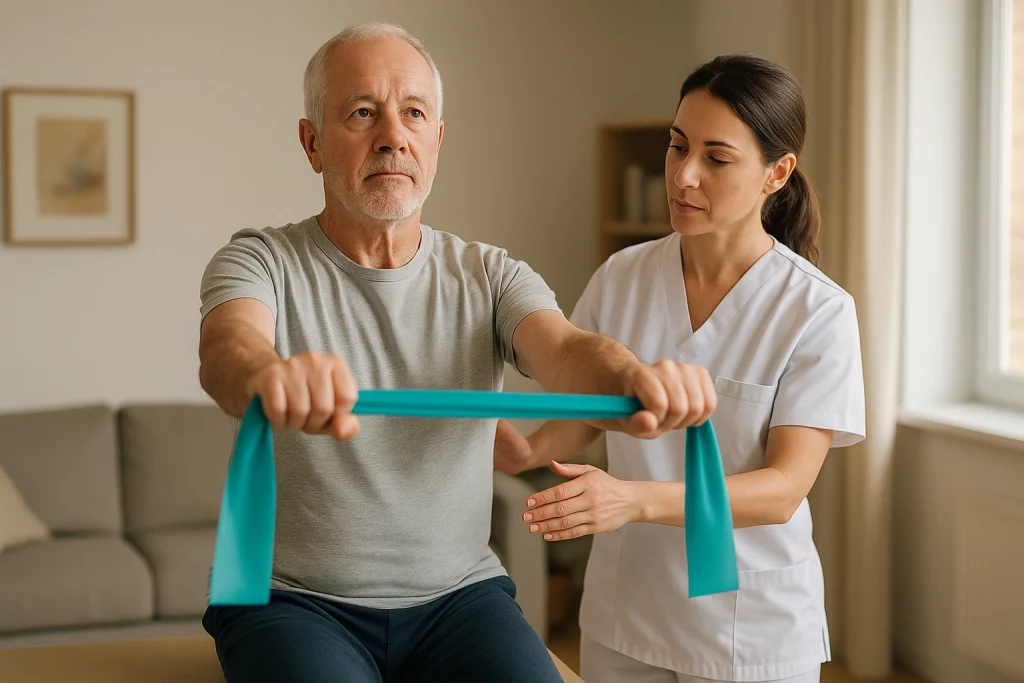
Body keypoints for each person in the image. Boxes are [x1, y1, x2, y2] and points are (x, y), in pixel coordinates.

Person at [197, 21, 720, 683]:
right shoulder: (259, 260)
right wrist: (270, 375)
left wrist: (634, 378)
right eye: (362, 113)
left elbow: (565, 350)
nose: (393, 135)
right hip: (292, 600)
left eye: (414, 113)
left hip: (460, 598)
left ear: (436, 141)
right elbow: (226, 351)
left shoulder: (493, 275)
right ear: (313, 144)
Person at [493, 54, 867, 683]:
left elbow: (783, 490)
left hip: (751, 629)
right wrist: (526, 451)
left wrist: (631, 501)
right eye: (676, 146)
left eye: (716, 159)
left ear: (777, 173)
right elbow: (590, 420)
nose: (684, 175)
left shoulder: (817, 310)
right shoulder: (623, 276)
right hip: (627, 615)